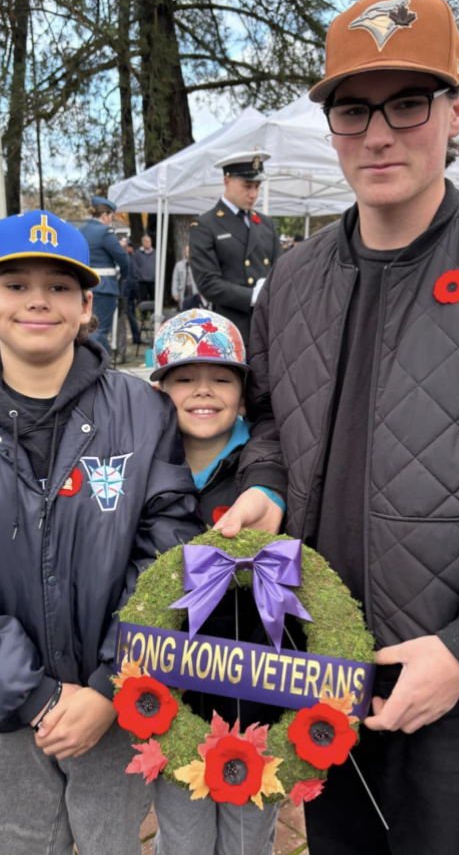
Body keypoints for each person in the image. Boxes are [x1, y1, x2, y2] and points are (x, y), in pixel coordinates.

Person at [213, 0, 459, 855]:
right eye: (353, 109)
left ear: (455, 111)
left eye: (409, 103)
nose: (379, 134)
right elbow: (275, 423)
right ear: (331, 126)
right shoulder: (291, 281)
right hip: (322, 672)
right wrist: (265, 489)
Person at [0, 210, 201, 855]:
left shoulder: (143, 411)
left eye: (60, 286)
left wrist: (110, 686)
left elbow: (170, 554)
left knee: (111, 842)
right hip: (7, 712)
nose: (38, 300)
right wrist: (37, 699)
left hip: (117, 700)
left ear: (86, 309)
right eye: (15, 284)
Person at [149, 309, 286, 855]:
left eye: (222, 377)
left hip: (258, 689)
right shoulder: (145, 466)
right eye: (184, 376)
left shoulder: (273, 464)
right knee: (182, 834)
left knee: (250, 835)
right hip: (173, 695)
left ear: (244, 389)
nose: (203, 390)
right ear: (159, 388)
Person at [189, 151, 283, 345]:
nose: (254, 194)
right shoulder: (206, 225)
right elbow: (207, 282)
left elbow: (280, 269)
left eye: (257, 186)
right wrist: (252, 296)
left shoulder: (265, 224)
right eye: (247, 186)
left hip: (267, 324)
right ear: (227, 181)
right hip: (230, 328)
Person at [79, 195, 129, 353]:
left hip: (84, 285)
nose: (111, 221)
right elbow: (124, 259)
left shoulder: (81, 232)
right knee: (99, 330)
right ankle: (99, 366)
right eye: (111, 217)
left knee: (85, 328)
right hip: (105, 287)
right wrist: (124, 278)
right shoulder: (105, 232)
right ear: (105, 215)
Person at [171, 245, 198, 310]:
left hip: (195, 292)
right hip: (183, 293)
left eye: (190, 251)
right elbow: (175, 279)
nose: (188, 253)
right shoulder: (179, 265)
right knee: (184, 312)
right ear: (185, 253)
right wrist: (175, 293)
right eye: (187, 251)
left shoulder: (197, 265)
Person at [135, 234, 156, 302]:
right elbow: (135, 265)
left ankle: (153, 312)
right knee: (142, 300)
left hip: (153, 281)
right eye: (146, 241)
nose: (148, 243)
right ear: (142, 243)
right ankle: (143, 312)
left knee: (153, 300)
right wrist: (139, 276)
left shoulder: (155, 253)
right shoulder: (138, 253)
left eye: (149, 241)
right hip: (142, 281)